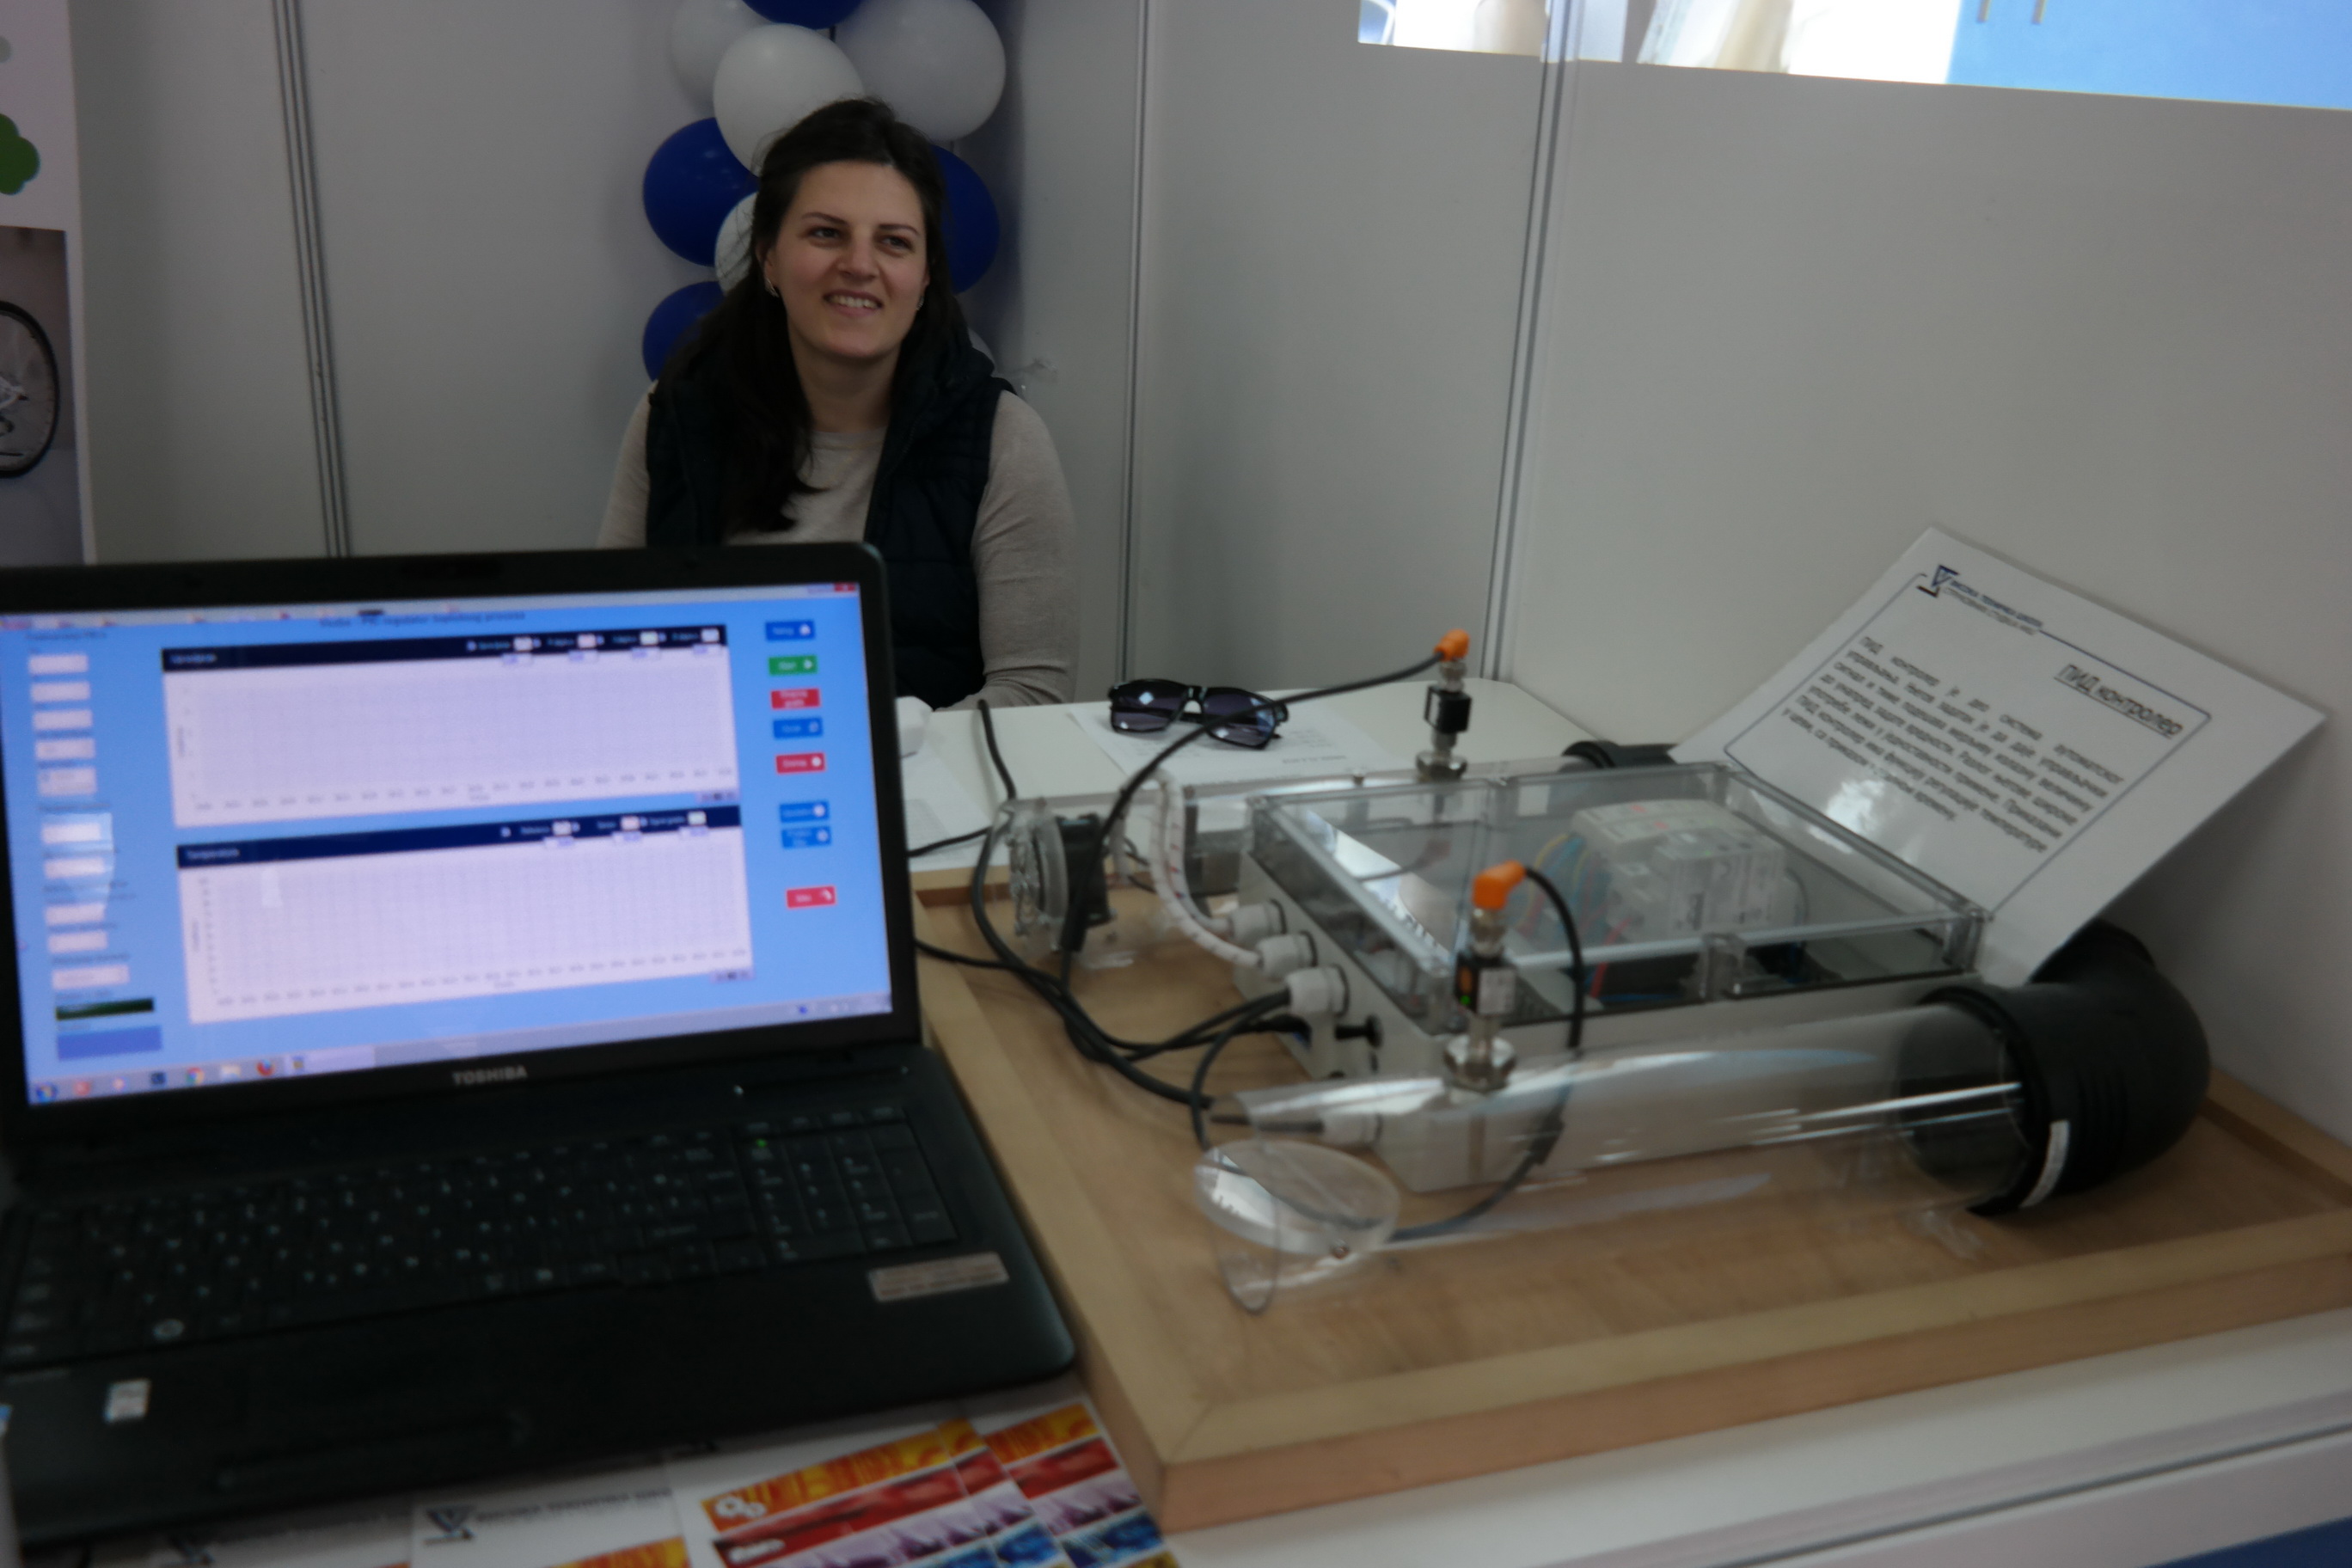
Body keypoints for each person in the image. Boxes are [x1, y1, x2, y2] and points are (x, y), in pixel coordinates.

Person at [600, 98, 1075, 713]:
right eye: (827, 233)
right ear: (769, 258)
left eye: (894, 242)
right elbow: (611, 646)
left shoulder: (1003, 439)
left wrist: (863, 753)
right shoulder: (672, 414)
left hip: (926, 778)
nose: (859, 266)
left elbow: (1033, 692)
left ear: (924, 277)